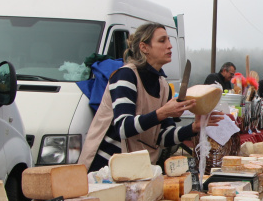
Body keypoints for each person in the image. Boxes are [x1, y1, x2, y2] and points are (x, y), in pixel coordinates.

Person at [79, 23, 224, 172]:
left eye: (169, 40)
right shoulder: (126, 76)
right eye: (162, 41)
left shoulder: (163, 86)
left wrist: (193, 128)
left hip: (137, 169)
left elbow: (162, 138)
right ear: (144, 47)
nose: (170, 46)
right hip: (107, 169)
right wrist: (163, 112)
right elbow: (123, 127)